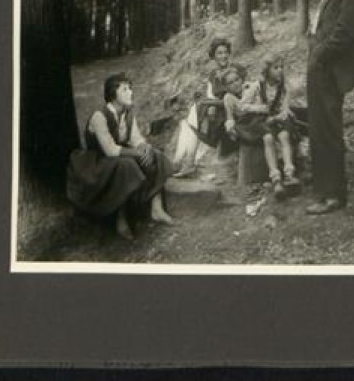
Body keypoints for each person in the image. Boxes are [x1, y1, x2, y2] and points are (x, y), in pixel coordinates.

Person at [67, 74, 175, 241]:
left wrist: (144, 147)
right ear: (113, 94)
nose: (130, 92)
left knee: (155, 155)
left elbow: (136, 138)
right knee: (126, 165)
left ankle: (157, 208)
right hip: (97, 163)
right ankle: (121, 219)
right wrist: (137, 153)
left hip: (117, 157)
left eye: (130, 88)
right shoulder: (99, 116)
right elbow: (109, 150)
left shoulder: (128, 114)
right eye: (125, 89)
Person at [304, 0, 354, 213]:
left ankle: (333, 195)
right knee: (318, 128)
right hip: (320, 66)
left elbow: (347, 31)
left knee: (328, 129)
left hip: (329, 67)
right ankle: (322, 189)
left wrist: (320, 54)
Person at [172, 37, 247, 176]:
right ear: (213, 56)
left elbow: (243, 93)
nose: (223, 56)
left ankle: (184, 163)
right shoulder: (213, 74)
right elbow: (210, 95)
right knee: (187, 123)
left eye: (225, 52)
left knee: (195, 111)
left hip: (233, 110)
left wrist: (213, 104)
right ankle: (185, 162)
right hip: (218, 111)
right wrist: (212, 105)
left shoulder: (237, 69)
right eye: (219, 53)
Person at [231, 57, 304, 197]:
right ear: (267, 70)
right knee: (268, 138)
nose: (280, 70)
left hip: (277, 118)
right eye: (276, 68)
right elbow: (242, 105)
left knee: (284, 135)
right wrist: (259, 108)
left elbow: (285, 107)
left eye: (281, 67)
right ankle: (275, 178)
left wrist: (283, 113)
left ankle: (289, 174)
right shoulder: (257, 86)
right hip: (261, 119)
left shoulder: (283, 87)